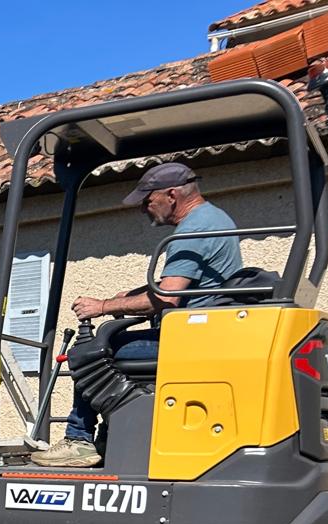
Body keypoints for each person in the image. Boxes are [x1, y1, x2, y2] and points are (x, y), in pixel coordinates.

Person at [33, 162, 242, 468]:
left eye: (147, 201)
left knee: (88, 351)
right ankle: (112, 432)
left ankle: (79, 439)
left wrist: (103, 306)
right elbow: (180, 283)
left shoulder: (193, 229)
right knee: (109, 345)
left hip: (189, 343)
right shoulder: (213, 218)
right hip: (204, 336)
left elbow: (167, 297)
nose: (143, 209)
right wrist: (130, 297)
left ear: (171, 195)